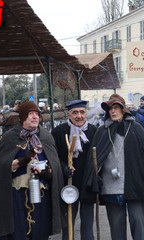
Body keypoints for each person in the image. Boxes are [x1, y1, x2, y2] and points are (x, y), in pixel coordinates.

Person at [81, 94, 144, 240]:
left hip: (134, 185)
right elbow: (94, 159)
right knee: (117, 226)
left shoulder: (135, 128)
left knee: (138, 221)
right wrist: (96, 175)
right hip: (111, 187)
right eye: (110, 109)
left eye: (116, 108)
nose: (113, 111)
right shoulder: (102, 131)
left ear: (123, 109)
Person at [0, 101, 65, 240]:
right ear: (23, 117)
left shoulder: (46, 136)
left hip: (41, 194)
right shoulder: (10, 137)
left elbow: (55, 165)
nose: (35, 117)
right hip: (16, 195)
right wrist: (22, 162)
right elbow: (0, 167)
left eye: (37, 114)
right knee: (18, 233)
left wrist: (48, 173)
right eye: (31, 114)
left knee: (40, 233)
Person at [51, 100, 97, 240]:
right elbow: (53, 156)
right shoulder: (59, 132)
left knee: (88, 223)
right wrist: (64, 166)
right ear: (68, 114)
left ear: (86, 113)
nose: (79, 116)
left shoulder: (94, 131)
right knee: (68, 223)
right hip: (68, 184)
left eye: (82, 112)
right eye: (75, 112)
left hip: (87, 183)